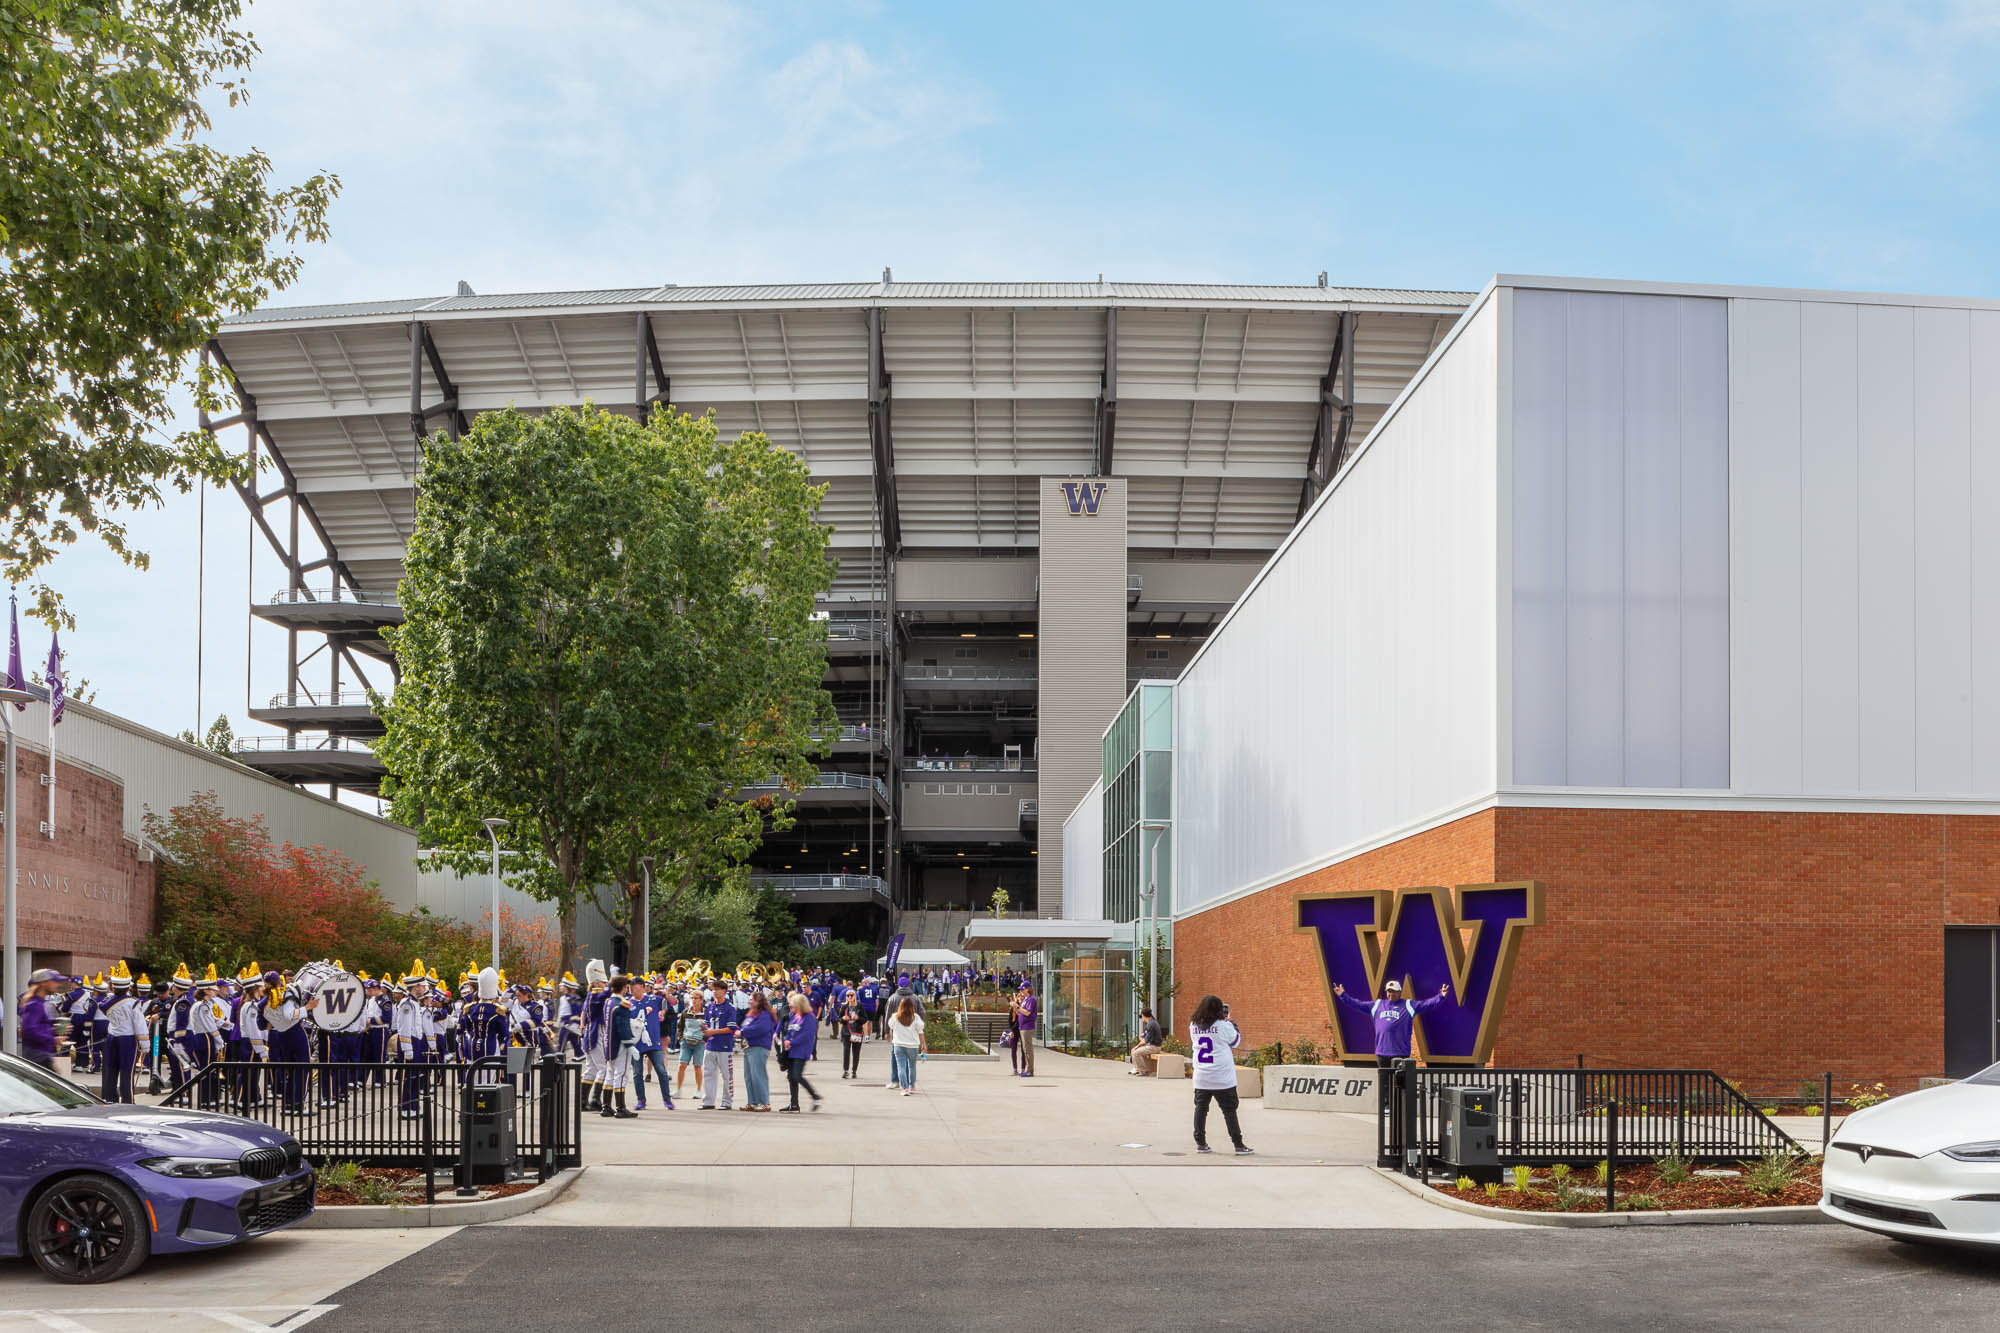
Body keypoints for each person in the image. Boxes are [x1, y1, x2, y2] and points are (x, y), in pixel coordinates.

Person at [1187, 994, 1253, 1155]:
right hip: (1222, 1077)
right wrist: (1231, 1022)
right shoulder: (1224, 1026)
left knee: (1201, 1109)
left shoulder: (1193, 1025)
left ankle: (1200, 1143)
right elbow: (1236, 1041)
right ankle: (1238, 1144)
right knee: (1229, 1111)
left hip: (1202, 1076)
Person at [1332, 978, 1451, 1065]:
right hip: (1382, 1053)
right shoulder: (1377, 1004)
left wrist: (1441, 996)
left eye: (1393, 991)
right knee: (1385, 1085)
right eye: (1389, 991)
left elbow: (1427, 1004)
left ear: (1399, 992)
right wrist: (1343, 995)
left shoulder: (1408, 1005)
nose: (1390, 994)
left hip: (1400, 1053)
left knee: (1400, 1086)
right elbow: (1357, 1004)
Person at [100, 962, 144, 1104]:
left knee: (110, 1070)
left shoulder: (106, 1001)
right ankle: (127, 1100)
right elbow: (139, 1024)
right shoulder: (133, 1003)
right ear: (128, 986)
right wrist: (145, 1044)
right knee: (127, 1072)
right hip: (128, 1039)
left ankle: (109, 1099)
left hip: (111, 1037)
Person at [778, 992, 823, 1113]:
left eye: (793, 1006)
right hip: (791, 1051)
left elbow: (806, 1035)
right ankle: (794, 1104)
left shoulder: (809, 1017)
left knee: (796, 1075)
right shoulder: (795, 1016)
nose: (791, 1009)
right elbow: (789, 1030)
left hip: (801, 1051)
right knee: (791, 1077)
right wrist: (787, 1040)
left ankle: (815, 1096)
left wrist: (791, 1042)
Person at [601, 975, 638, 1118]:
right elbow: (622, 1027)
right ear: (623, 988)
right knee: (621, 1075)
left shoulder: (608, 1002)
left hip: (608, 1043)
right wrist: (630, 1044)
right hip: (620, 1044)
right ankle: (620, 1108)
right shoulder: (622, 1004)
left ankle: (606, 1106)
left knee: (610, 1075)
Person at [699, 977, 738, 1110]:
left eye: (717, 990)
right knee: (708, 1073)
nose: (715, 992)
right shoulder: (710, 1006)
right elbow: (707, 1023)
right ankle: (708, 1101)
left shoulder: (729, 1008)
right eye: (713, 989)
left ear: (724, 991)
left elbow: (731, 1028)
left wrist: (713, 1031)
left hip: (724, 1046)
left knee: (726, 1075)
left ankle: (727, 1102)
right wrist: (703, 1030)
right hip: (710, 1045)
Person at [17, 968, 63, 1069]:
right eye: (54, 981)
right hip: (38, 1056)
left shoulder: (38, 1003)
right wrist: (52, 1039)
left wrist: (53, 1029)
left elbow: (37, 1027)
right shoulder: (34, 1004)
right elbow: (29, 1030)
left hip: (40, 1055)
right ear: (43, 983)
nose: (58, 984)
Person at [739, 991, 777, 1111]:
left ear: (759, 1002)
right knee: (749, 1076)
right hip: (749, 1047)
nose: (750, 1001)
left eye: (752, 999)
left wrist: (742, 1032)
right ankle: (753, 1102)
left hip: (759, 1047)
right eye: (750, 999)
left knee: (758, 1075)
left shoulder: (764, 1015)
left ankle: (765, 1103)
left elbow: (760, 1029)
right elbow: (745, 1027)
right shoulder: (751, 1014)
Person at [885, 995, 926, 1096]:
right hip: (913, 1046)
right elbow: (920, 1032)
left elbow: (890, 1025)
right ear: (912, 1006)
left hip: (899, 1045)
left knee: (901, 1067)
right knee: (912, 1067)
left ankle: (905, 1088)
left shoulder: (895, 1016)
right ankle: (912, 1086)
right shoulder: (915, 1017)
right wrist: (924, 1045)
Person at [675, 988, 706, 1100]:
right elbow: (680, 1026)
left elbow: (709, 1027)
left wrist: (705, 1039)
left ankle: (698, 1090)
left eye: (696, 998)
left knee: (697, 1067)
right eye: (692, 998)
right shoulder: (685, 1012)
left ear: (701, 1000)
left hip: (699, 1043)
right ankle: (678, 1090)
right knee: (681, 1065)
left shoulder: (705, 1012)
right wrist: (681, 1039)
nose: (693, 1000)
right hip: (686, 1042)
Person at [836, 985, 867, 1079]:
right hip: (846, 1032)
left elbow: (865, 1019)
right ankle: (845, 1071)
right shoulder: (844, 1006)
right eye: (848, 995)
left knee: (856, 1052)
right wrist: (843, 1018)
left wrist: (858, 1018)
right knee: (846, 1051)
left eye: (852, 995)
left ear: (855, 996)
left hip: (857, 1032)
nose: (850, 997)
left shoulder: (860, 1006)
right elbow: (839, 1018)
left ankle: (854, 1071)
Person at [1129, 1006, 1164, 1076]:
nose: (1141, 1018)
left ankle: (1144, 1071)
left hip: (1154, 1047)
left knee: (1136, 1052)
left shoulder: (1150, 1024)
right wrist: (1144, 1034)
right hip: (1153, 1045)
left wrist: (1137, 1046)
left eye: (1141, 1016)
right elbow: (1149, 1034)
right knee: (1134, 1051)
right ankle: (1137, 1069)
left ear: (1143, 1015)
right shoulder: (1153, 1021)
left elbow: (1146, 1041)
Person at [1013, 981, 1037, 1078]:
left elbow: (1027, 1013)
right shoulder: (1026, 999)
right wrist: (1016, 1009)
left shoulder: (1031, 999)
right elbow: (1022, 1013)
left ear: (1027, 989)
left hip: (1027, 1027)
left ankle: (1030, 1070)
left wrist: (1017, 1007)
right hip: (1023, 1026)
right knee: (1025, 1049)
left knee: (1028, 1049)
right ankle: (1028, 1069)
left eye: (1022, 989)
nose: (1021, 991)